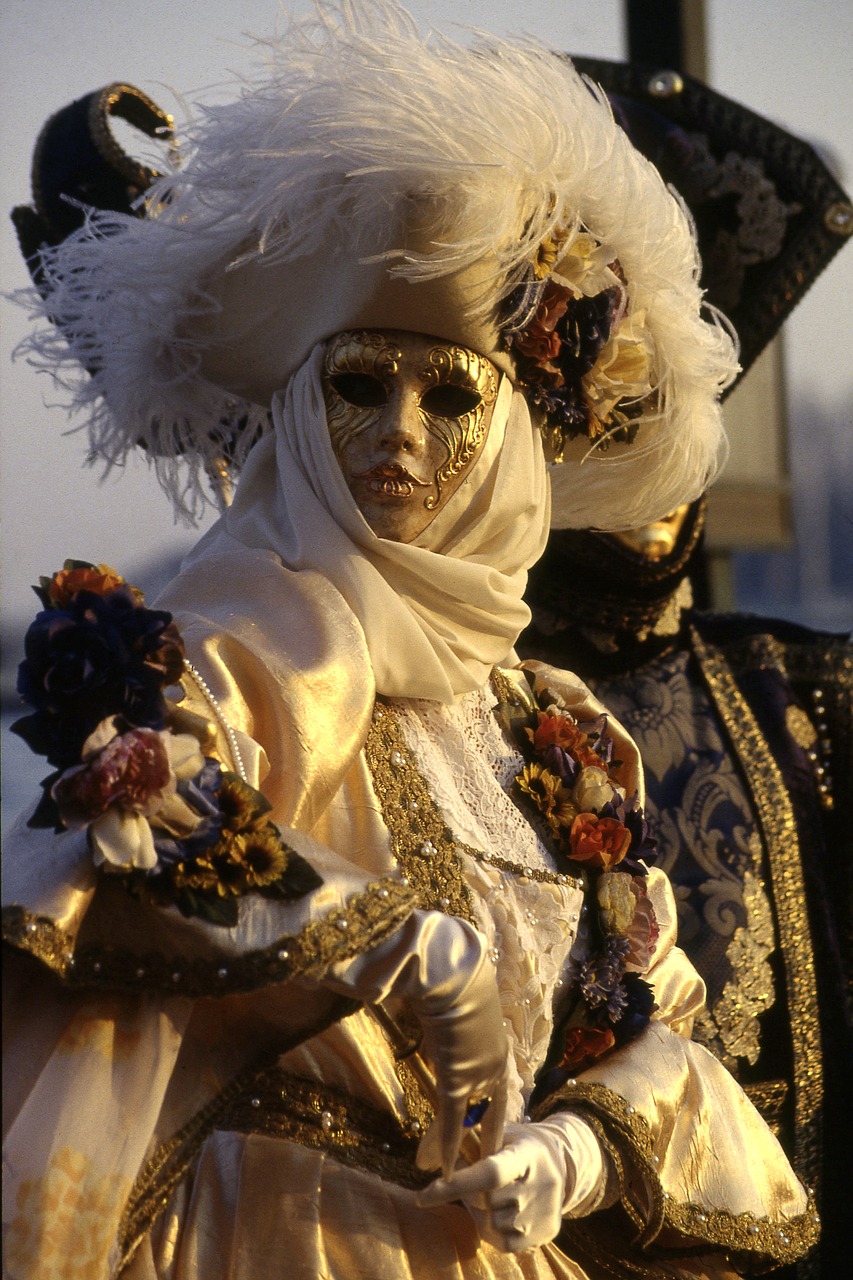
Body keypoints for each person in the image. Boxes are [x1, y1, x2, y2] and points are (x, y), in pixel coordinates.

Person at [2, 4, 818, 1278]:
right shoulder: (229, 651)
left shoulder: (559, 731)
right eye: (357, 383)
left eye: (449, 395)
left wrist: (583, 1149)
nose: (401, 432)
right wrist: (387, 941)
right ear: (296, 401)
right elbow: (101, 861)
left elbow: (658, 1020)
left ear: (506, 433)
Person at [520, 501, 852, 1280]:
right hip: (582, 1210)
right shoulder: (486, 699)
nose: (657, 488)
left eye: (675, 443)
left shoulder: (793, 684)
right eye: (617, 440)